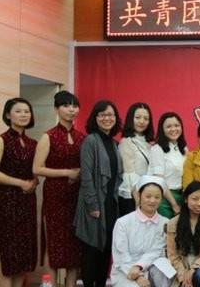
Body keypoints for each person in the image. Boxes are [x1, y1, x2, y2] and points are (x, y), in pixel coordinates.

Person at [32, 91, 85, 287]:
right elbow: (37, 168)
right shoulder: (49, 136)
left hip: (76, 195)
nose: (71, 110)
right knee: (54, 243)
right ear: (56, 109)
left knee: (75, 245)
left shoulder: (82, 137)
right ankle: (52, 284)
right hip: (55, 196)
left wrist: (79, 172)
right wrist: (66, 172)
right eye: (66, 105)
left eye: (74, 106)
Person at [0, 98, 38, 287]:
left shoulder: (33, 143)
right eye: (18, 111)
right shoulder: (1, 140)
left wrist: (34, 181)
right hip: (7, 201)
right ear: (8, 115)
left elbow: (35, 171)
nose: (24, 114)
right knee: (7, 250)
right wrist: (20, 183)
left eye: (27, 111)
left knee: (23, 252)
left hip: (28, 201)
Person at [74, 100, 124, 287]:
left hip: (110, 204)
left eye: (110, 115)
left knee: (106, 250)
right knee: (91, 250)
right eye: (102, 115)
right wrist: (93, 205)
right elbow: (86, 176)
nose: (106, 118)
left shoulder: (114, 143)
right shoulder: (90, 141)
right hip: (93, 205)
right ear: (95, 118)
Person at [111, 175, 170, 287]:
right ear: (139, 196)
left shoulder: (165, 223)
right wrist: (138, 276)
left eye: (157, 197)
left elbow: (157, 251)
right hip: (126, 271)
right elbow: (121, 255)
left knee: (164, 266)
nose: (152, 200)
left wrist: (139, 266)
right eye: (148, 196)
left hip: (153, 269)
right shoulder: (123, 222)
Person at [119, 102, 155, 215]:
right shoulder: (126, 142)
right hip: (133, 197)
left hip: (148, 195)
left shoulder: (149, 145)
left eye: (146, 118)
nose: (142, 121)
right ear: (131, 119)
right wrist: (139, 200)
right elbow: (129, 173)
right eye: (138, 117)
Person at [149, 112, 187, 218]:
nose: (173, 129)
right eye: (168, 126)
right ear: (162, 130)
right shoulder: (157, 149)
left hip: (181, 197)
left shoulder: (184, 149)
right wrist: (174, 204)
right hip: (165, 199)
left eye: (176, 125)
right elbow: (159, 180)